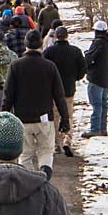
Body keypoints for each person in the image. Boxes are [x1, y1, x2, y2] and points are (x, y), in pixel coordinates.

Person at [2, 30, 69, 178]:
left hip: (22, 119)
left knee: (25, 155)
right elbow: (59, 96)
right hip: (44, 119)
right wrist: (65, 118)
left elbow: (8, 95)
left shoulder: (15, 66)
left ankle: (28, 183)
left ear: (26, 45)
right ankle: (44, 177)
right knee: (45, 152)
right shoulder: (50, 66)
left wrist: (4, 116)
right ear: (40, 44)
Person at [43, 26, 86, 157]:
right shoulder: (76, 51)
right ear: (67, 36)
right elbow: (82, 70)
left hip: (53, 90)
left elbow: (43, 69)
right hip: (68, 88)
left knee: (55, 116)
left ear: (55, 36)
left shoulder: (49, 52)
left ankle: (57, 143)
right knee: (68, 115)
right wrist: (75, 77)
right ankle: (68, 139)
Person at [82, 20, 108, 139]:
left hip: (96, 78)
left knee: (96, 104)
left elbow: (89, 58)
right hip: (106, 77)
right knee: (103, 104)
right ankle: (102, 128)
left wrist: (85, 63)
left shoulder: (98, 43)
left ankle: (95, 129)